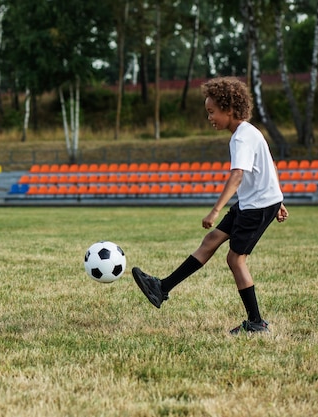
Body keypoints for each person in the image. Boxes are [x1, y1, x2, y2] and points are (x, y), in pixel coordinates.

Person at [132, 76, 289, 335]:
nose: (210, 118)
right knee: (211, 240)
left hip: (257, 206)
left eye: (212, 112)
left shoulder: (240, 138)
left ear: (228, 110)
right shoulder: (250, 131)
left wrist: (215, 210)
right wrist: (280, 199)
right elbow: (269, 164)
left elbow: (238, 174)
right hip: (255, 203)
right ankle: (162, 288)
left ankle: (257, 323)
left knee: (235, 259)